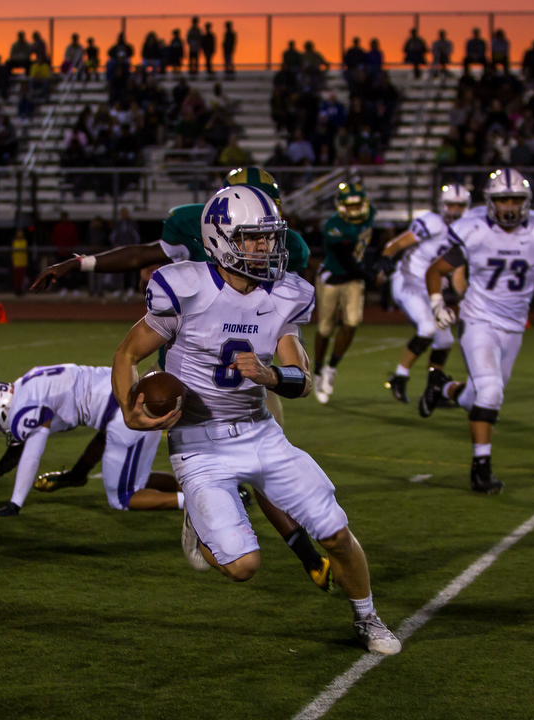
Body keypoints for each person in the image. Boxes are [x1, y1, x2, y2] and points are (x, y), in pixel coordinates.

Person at [111, 186, 402, 655]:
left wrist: (270, 374)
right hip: (199, 444)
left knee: (336, 533)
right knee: (243, 566)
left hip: (260, 432)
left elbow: (301, 380)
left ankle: (367, 618)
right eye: (254, 238)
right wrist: (130, 408)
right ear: (220, 239)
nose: (266, 248)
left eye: (270, 237)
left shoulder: (284, 293)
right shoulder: (185, 287)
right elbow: (127, 353)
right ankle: (199, 516)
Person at [28, 168, 331, 590]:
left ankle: (303, 550)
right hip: (192, 361)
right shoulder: (194, 227)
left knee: (264, 459)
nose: (265, 235)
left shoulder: (285, 248)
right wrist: (80, 263)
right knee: (148, 413)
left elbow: (282, 304)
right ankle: (208, 512)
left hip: (254, 367)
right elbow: (142, 255)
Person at [419, 169, 534, 491]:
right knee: (491, 390)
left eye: (515, 199)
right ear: (490, 201)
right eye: (503, 199)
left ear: (527, 202)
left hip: (513, 327)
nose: (509, 206)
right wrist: (437, 303)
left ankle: (441, 388)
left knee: (479, 395)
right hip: (478, 320)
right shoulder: (474, 229)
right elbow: (435, 269)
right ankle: (480, 470)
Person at [0, 366, 177, 516]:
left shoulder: (24, 409)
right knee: (136, 478)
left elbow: (31, 454)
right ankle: (193, 490)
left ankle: (191, 503)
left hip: (125, 415)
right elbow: (18, 449)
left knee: (122, 497)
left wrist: (14, 504)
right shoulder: (25, 386)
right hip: (125, 394)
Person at [376, 184, 471, 402]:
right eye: (451, 205)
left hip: (430, 291)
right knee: (427, 328)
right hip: (407, 280)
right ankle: (400, 376)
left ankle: (434, 388)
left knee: (445, 340)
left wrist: (470, 298)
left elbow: (458, 277)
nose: (455, 210)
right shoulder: (433, 222)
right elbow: (397, 242)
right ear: (443, 205)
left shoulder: (466, 235)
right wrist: (385, 259)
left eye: (460, 205)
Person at [312, 182, 375, 404]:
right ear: (340, 206)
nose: (355, 209)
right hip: (334, 277)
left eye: (358, 204)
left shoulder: (370, 216)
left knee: (352, 322)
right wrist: (369, 274)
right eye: (350, 205)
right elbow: (344, 257)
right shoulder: (333, 225)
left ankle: (331, 368)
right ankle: (318, 371)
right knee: (325, 328)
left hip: (354, 279)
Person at [11, 227, 29, 294]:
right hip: (16, 263)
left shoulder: (24, 242)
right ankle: (16, 290)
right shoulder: (14, 242)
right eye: (18, 233)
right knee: (16, 278)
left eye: (21, 233)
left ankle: (22, 290)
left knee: (22, 278)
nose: (20, 235)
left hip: (23, 263)